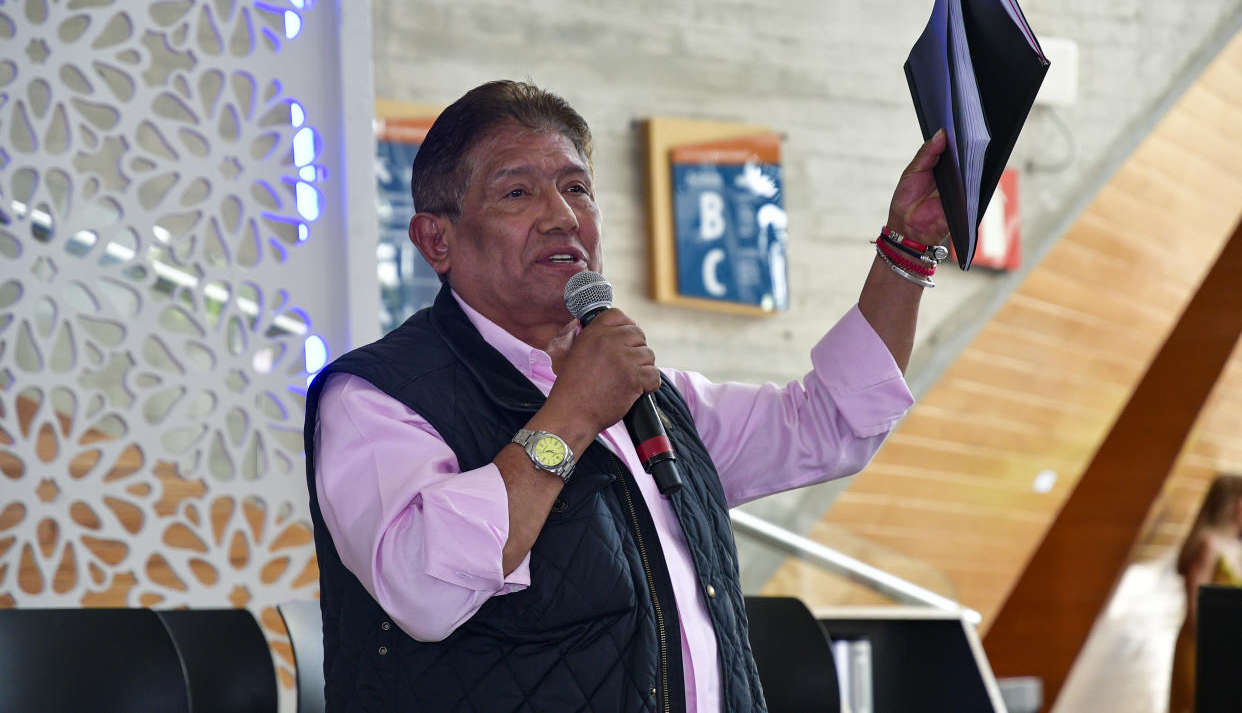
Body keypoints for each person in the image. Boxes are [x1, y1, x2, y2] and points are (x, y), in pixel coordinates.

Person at [303, 80, 949, 711]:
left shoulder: (650, 399)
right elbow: (424, 588)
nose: (561, 216)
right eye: (518, 191)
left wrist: (908, 250)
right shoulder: (375, 398)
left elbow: (831, 424)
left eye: (576, 187)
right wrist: (575, 411)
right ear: (436, 240)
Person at [1168, 474, 1242, 713]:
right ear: (1233, 503)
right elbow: (1195, 612)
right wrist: (1219, 655)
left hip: (1229, 648)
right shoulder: (1209, 544)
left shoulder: (1237, 547)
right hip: (1204, 647)